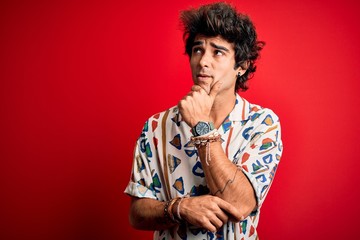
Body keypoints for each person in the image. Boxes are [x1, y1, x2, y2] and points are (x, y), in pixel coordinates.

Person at [124, 2, 283, 239]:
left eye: (217, 52)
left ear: (241, 65)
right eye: (198, 49)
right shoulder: (157, 126)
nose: (203, 61)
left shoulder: (262, 124)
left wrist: (202, 126)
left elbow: (240, 204)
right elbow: (137, 214)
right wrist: (179, 208)